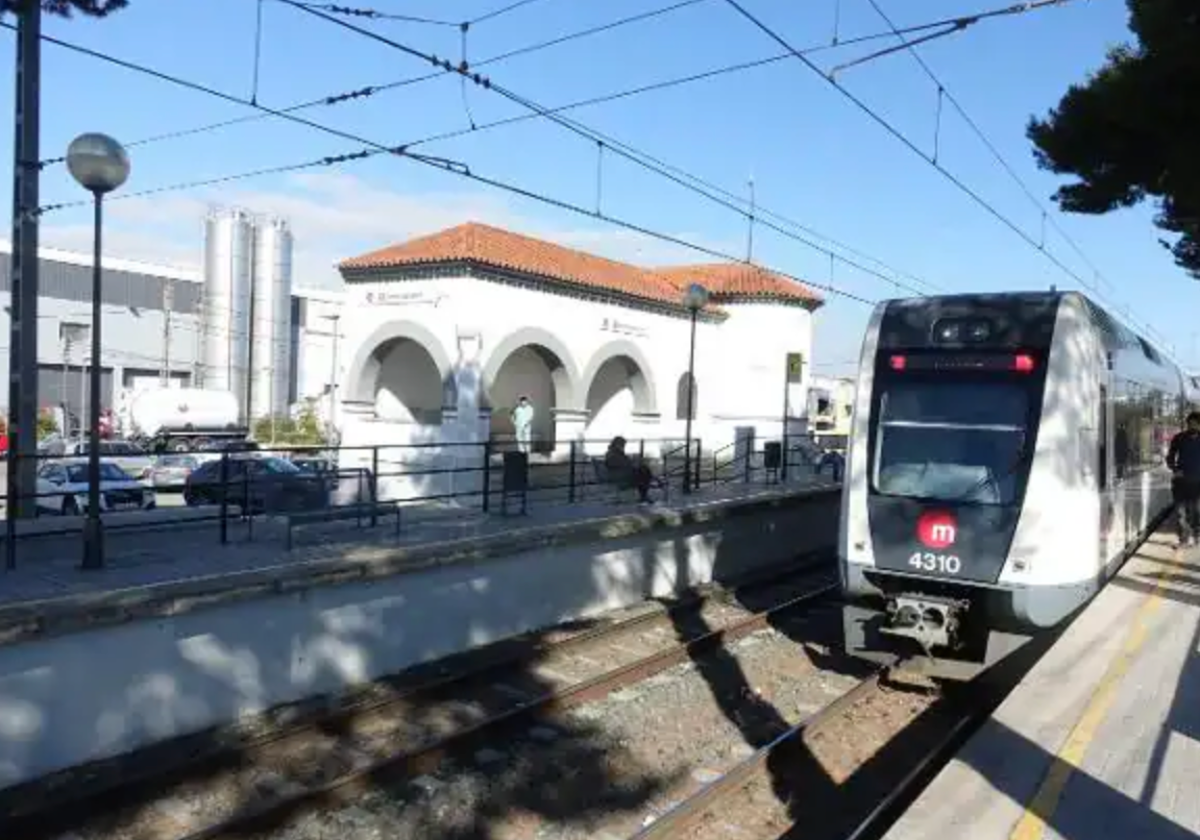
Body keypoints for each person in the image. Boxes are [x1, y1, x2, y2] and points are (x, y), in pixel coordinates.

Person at [1166, 411, 1200, 547]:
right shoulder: (1179, 438)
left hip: (1198, 483)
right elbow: (1170, 456)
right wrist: (1174, 469)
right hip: (1181, 482)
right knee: (1180, 512)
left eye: (1196, 424)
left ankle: (1197, 535)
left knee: (1196, 510)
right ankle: (1184, 539)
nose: (1193, 426)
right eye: (1190, 423)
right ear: (1187, 424)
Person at [604, 435, 658, 504]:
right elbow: (620, 464)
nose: (623, 446)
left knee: (643, 471)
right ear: (617, 444)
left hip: (624, 475)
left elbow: (625, 464)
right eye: (622, 445)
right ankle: (644, 495)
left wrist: (632, 463)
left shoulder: (616, 453)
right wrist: (631, 463)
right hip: (621, 477)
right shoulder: (612, 454)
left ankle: (644, 495)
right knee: (643, 472)